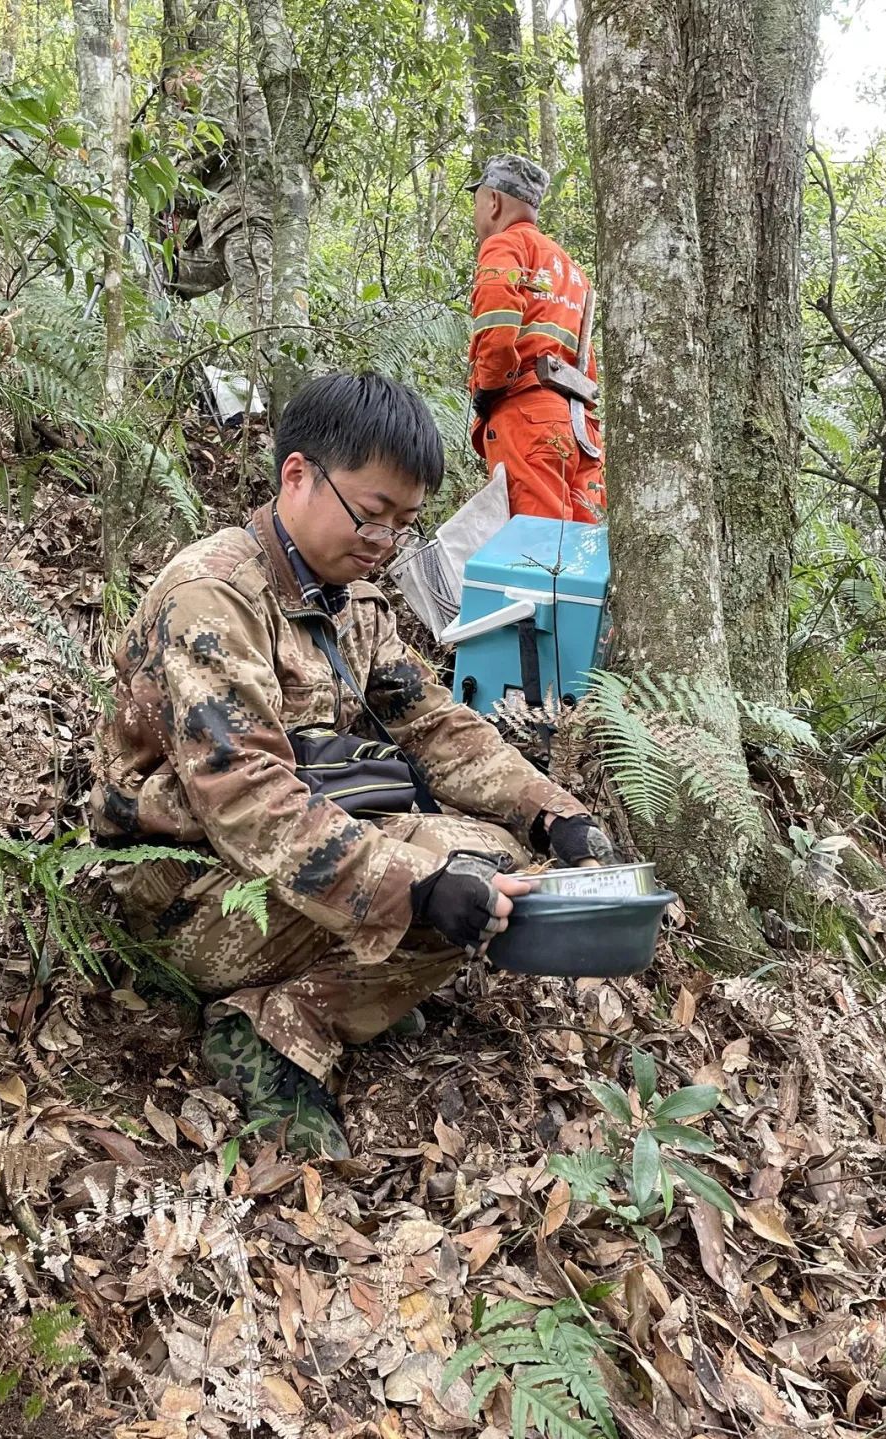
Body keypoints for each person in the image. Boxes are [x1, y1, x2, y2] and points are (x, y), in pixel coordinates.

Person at [90, 373, 611, 1160]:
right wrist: (416, 885)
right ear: (297, 475)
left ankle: (309, 992)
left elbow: (433, 724)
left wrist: (551, 810)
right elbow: (247, 800)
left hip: (276, 860)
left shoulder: (352, 600)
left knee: (499, 866)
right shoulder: (216, 596)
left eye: (404, 523)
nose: (384, 541)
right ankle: (268, 1036)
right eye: (371, 514)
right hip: (180, 886)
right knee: (450, 885)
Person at [467, 155, 606, 523]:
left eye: (477, 199)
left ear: (493, 202)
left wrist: (489, 386)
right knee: (581, 550)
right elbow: (585, 361)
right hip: (580, 428)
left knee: (534, 549)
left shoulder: (505, 247)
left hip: (527, 418)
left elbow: (497, 330)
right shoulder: (572, 270)